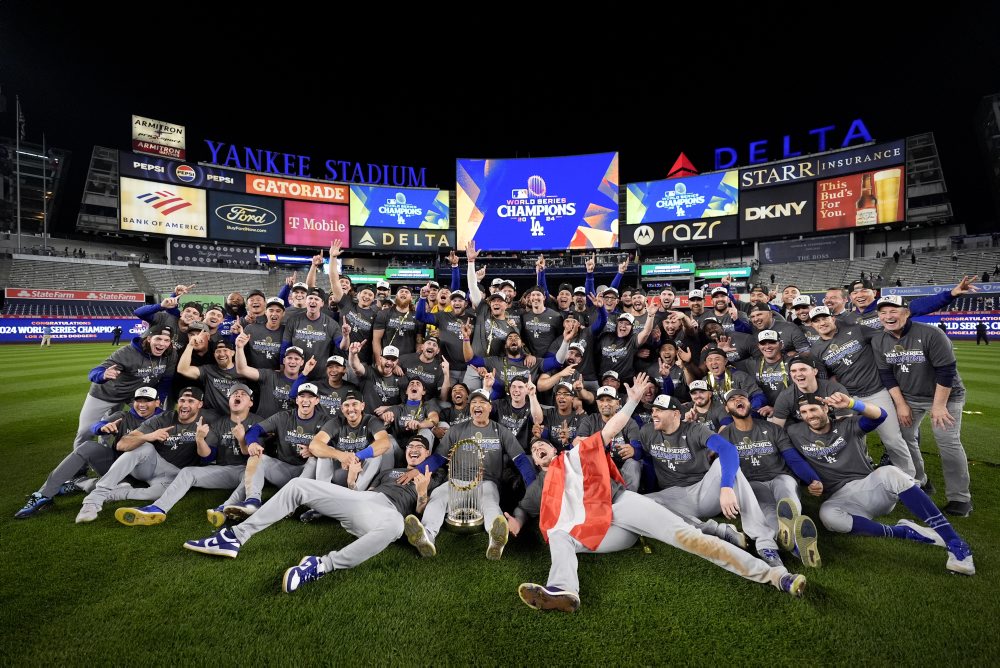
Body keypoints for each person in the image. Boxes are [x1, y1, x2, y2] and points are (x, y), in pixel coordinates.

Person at [511, 374, 806, 613]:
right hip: (599, 532)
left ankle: (775, 576)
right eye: (535, 452)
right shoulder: (540, 487)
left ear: (555, 449)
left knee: (691, 540)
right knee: (559, 536)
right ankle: (563, 591)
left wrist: (631, 402)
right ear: (536, 462)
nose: (539, 450)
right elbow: (525, 509)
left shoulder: (573, 456)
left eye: (543, 447)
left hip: (621, 506)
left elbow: (611, 429)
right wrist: (515, 521)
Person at [182, 434, 441, 593]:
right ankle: (236, 536)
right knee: (298, 485)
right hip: (367, 499)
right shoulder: (389, 471)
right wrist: (352, 482)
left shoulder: (433, 477)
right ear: (406, 452)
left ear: (427, 454)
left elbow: (418, 513)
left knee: (395, 527)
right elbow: (358, 494)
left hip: (390, 514)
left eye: (420, 447)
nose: (414, 449)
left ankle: (319, 565)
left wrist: (421, 492)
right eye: (411, 446)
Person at [785, 392, 974, 575]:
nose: (810, 416)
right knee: (827, 516)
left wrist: (852, 404)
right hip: (841, 497)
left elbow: (880, 416)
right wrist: (811, 481)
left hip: (871, 487)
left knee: (890, 472)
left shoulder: (847, 425)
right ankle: (904, 532)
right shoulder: (795, 432)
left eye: (813, 409)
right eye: (804, 412)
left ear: (826, 408)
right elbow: (792, 458)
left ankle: (955, 543)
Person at [639, 390, 785, 568]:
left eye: (659, 410)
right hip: (674, 497)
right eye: (652, 410)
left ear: (676, 414)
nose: (653, 414)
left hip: (704, 491)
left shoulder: (695, 429)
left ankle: (765, 543)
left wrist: (726, 487)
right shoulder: (647, 431)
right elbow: (642, 456)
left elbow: (728, 449)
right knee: (640, 502)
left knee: (724, 465)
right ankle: (716, 530)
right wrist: (634, 451)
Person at [402, 388, 536, 561]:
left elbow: (521, 460)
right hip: (457, 482)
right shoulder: (457, 430)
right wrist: (417, 469)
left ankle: (495, 539)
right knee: (437, 496)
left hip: (486, 482)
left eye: (481, 402)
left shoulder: (501, 431)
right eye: (473, 402)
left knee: (490, 501)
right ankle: (427, 536)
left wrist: (532, 485)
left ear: (490, 407)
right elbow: (438, 458)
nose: (477, 405)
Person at [872, 296, 973, 516]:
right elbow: (887, 375)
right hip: (909, 397)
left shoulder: (931, 334)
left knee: (948, 443)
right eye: (883, 313)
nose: (888, 316)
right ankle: (920, 481)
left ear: (906, 312)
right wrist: (901, 405)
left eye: (893, 311)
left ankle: (960, 498)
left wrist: (939, 406)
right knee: (905, 438)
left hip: (946, 396)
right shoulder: (879, 340)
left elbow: (946, 371)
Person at [113, 383, 262, 526]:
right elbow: (207, 457)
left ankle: (225, 508)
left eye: (243, 394)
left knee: (249, 476)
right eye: (235, 394)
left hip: (252, 471)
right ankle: (158, 508)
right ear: (229, 401)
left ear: (250, 403)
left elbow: (256, 457)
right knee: (188, 471)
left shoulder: (259, 423)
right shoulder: (218, 423)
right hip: (226, 471)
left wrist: (242, 439)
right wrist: (199, 440)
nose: (238, 395)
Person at [16, 387, 163, 518]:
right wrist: (102, 428)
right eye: (139, 400)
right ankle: (44, 494)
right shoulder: (123, 416)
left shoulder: (167, 418)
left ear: (157, 402)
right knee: (88, 446)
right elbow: (96, 426)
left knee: (110, 485)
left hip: (149, 475)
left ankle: (79, 483)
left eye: (148, 400)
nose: (142, 405)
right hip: (118, 471)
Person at [719, 389, 822, 567]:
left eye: (742, 398)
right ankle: (792, 543)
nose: (738, 401)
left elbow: (792, 457)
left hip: (779, 477)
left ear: (750, 404)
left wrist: (813, 479)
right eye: (732, 400)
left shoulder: (771, 428)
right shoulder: (724, 435)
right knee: (765, 509)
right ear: (727, 408)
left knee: (787, 491)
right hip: (752, 484)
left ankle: (774, 542)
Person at [75, 387, 209, 523]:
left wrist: (200, 439)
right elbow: (122, 444)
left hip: (176, 476)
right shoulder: (162, 418)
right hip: (154, 464)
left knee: (159, 494)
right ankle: (94, 500)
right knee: (144, 447)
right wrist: (148, 437)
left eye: (191, 401)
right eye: (182, 400)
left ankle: (111, 493)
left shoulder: (210, 420)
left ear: (200, 404)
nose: (185, 405)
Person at [219, 383, 327, 520]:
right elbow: (254, 430)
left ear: (317, 400)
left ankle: (291, 503)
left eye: (310, 397)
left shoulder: (324, 420)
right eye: (302, 396)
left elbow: (333, 447)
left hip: (307, 475)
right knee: (256, 456)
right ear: (297, 400)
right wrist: (252, 443)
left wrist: (314, 450)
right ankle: (252, 502)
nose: (306, 400)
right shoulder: (283, 417)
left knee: (315, 460)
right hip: (284, 471)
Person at [71, 324, 176, 451]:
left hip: (135, 395)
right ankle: (81, 467)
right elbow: (95, 371)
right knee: (85, 431)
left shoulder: (170, 354)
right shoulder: (127, 352)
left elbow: (166, 380)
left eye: (166, 340)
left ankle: (141, 455)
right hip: (106, 393)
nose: (162, 344)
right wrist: (102, 375)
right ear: (149, 338)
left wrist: (157, 400)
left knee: (149, 420)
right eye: (158, 339)